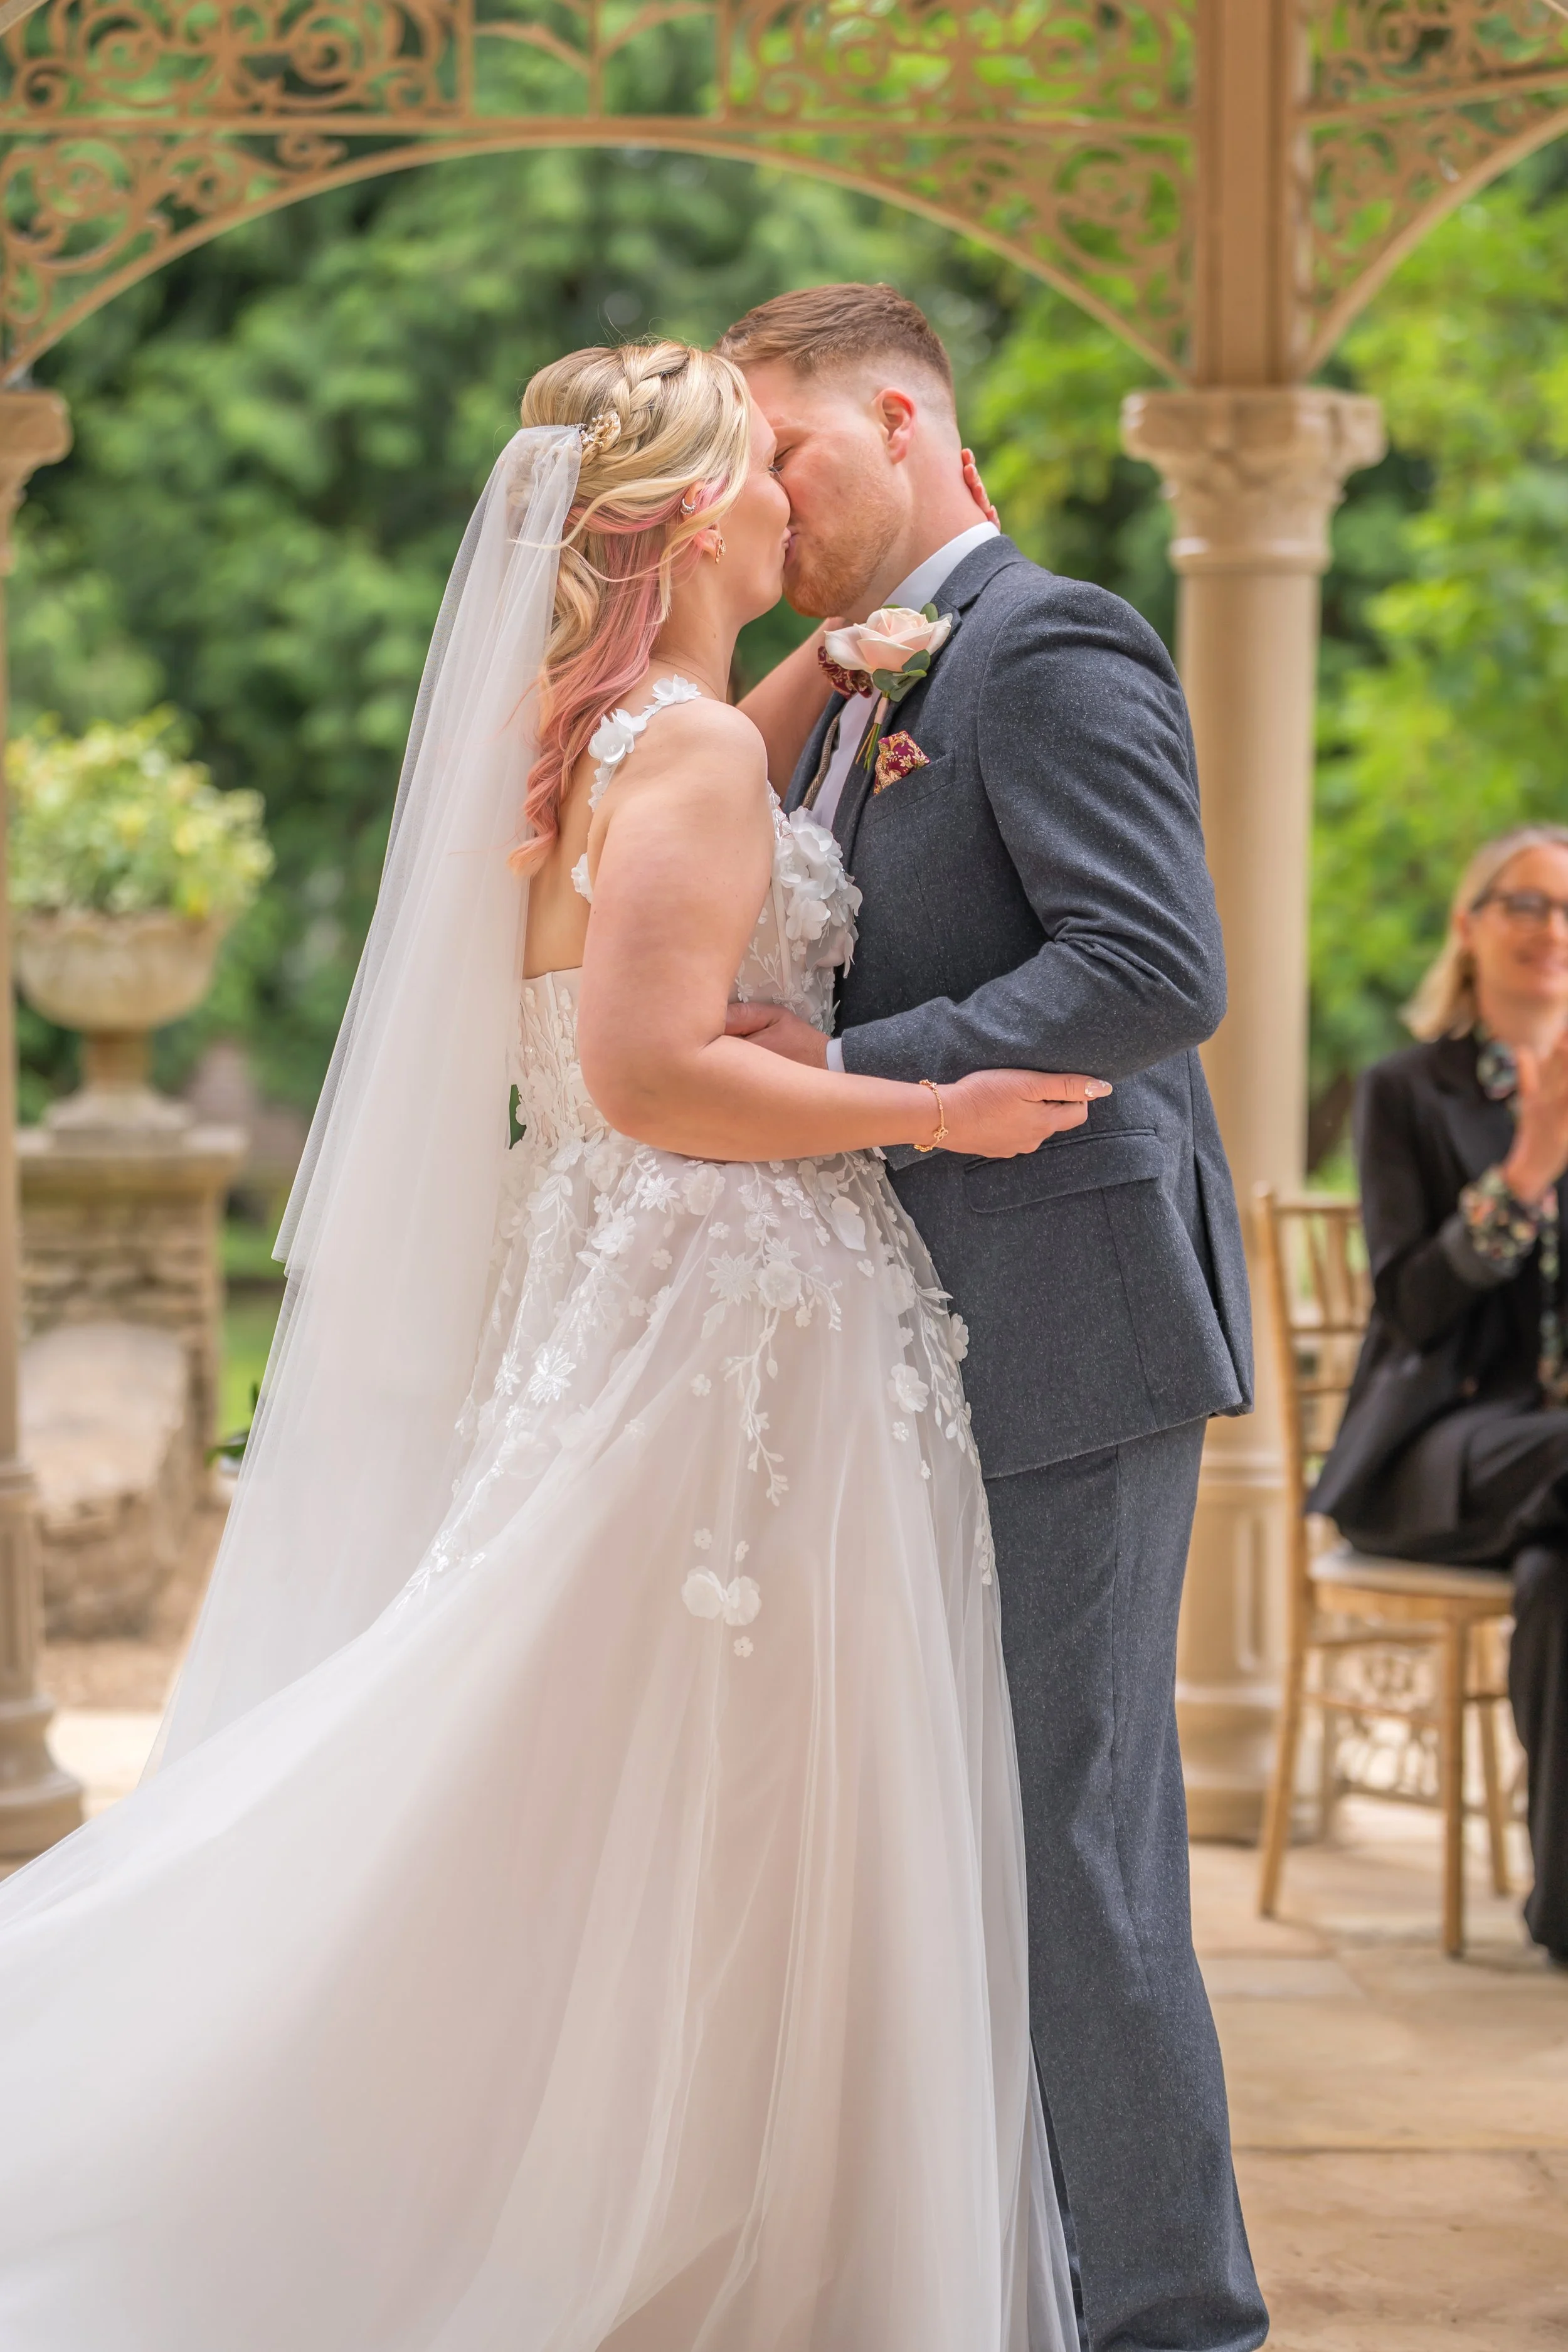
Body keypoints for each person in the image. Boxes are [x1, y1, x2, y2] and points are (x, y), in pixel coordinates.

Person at [0, 339, 1108, 2348]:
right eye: (760, 468)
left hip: (641, 1293)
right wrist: (929, 1107)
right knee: (718, 1777)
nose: (789, 487)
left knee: (599, 1758)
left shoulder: (595, 733)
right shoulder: (675, 756)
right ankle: (715, 2231)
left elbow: (663, 872)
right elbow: (656, 1071)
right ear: (699, 519)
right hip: (728, 1312)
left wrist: (821, 677)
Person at [717, 283, 1265, 2352]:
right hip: (930, 1338)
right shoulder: (867, 688)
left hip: (1073, 1319)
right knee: (973, 1842)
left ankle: (1176, 2324)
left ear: (906, 417)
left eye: (792, 447)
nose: (769, 488)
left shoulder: (1048, 641)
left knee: (1076, 1850)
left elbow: (1152, 965)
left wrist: (866, 1064)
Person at [1312, 824, 1568, 1968]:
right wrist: (1527, 1165)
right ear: (1469, 924)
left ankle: (1559, 1911)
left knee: (1562, 1572)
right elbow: (1411, 1306)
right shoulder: (1407, 1091)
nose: (1550, 929)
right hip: (1436, 1446)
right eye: (1524, 903)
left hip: (1549, 1474)